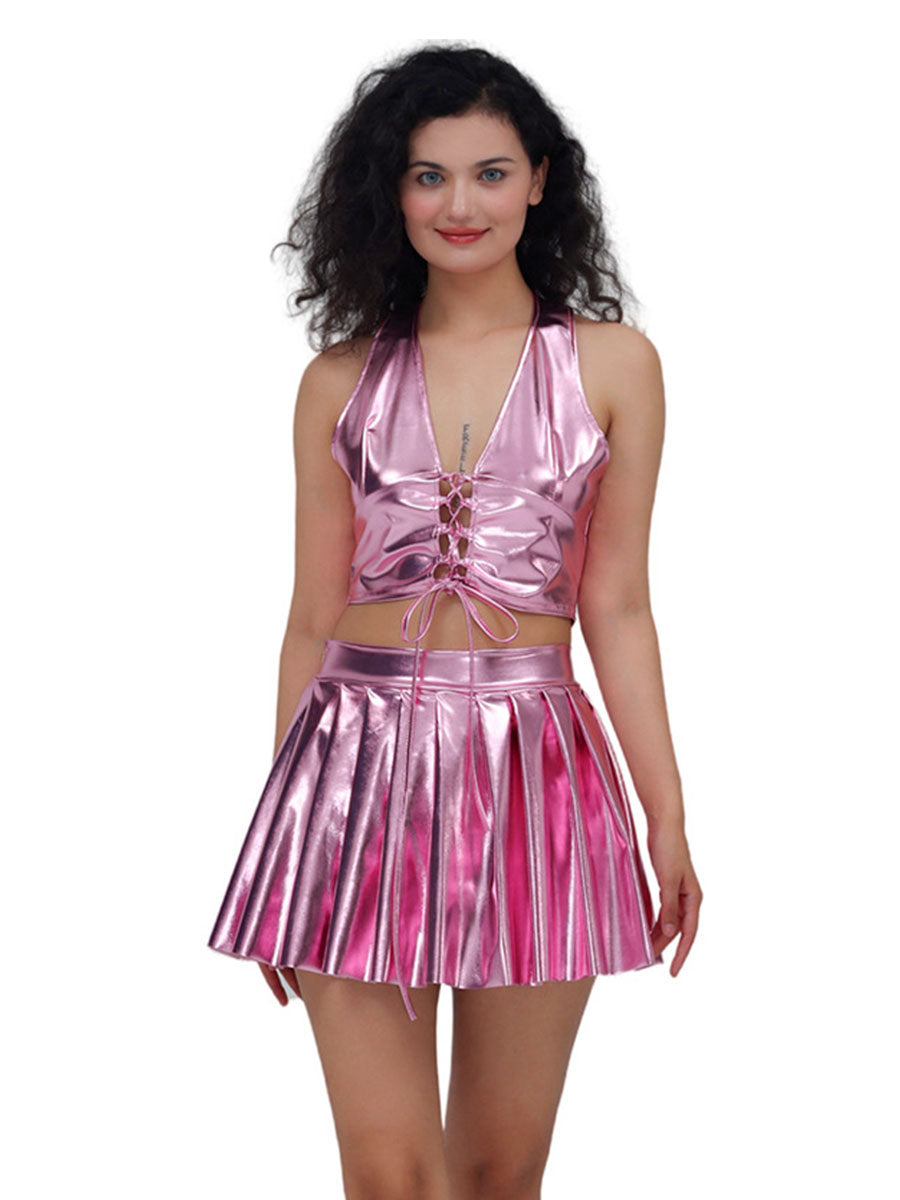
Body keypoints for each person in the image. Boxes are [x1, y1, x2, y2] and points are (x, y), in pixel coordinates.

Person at [208, 42, 702, 1199]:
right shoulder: (338, 381)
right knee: (392, 1176)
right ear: (390, 191)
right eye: (427, 176)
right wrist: (288, 833)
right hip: (353, 773)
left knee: (496, 1173)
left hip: (538, 770)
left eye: (490, 172)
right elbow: (310, 619)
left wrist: (667, 815)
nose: (459, 204)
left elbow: (618, 607)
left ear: (540, 181)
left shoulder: (614, 366)